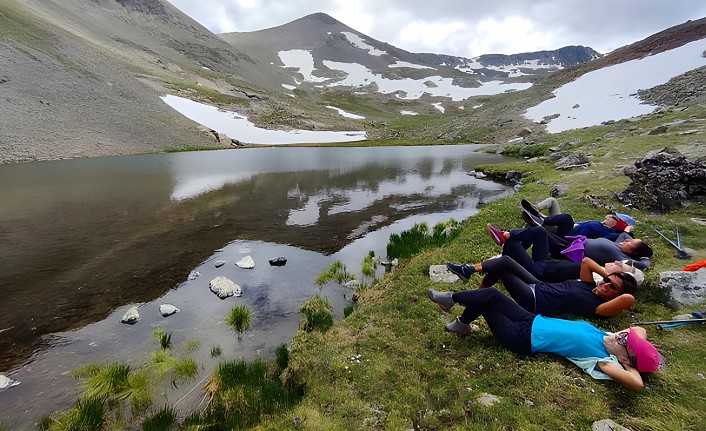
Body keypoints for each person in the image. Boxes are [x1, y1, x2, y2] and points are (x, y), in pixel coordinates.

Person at [426, 287, 661, 390]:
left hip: (520, 338)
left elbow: (637, 383)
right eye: (623, 335)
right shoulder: (610, 337)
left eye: (624, 341)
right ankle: (454, 304)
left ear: (627, 361)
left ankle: (459, 319)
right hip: (532, 319)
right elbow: (638, 330)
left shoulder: (603, 360)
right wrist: (634, 346)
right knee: (492, 294)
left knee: (487, 304)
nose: (622, 335)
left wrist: (635, 363)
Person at [445, 253, 637, 318]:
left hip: (535, 301)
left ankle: (470, 287)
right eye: (606, 281)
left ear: (616, 296)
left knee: (502, 269)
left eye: (611, 287)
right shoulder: (589, 285)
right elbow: (586, 261)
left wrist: (616, 286)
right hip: (539, 285)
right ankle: (469, 271)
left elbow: (629, 298)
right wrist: (609, 276)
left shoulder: (600, 307)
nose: (605, 285)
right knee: (505, 260)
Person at [479, 224, 644, 284]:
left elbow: (644, 265)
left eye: (618, 267)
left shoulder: (601, 279)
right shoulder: (616, 250)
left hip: (539, 272)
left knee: (510, 249)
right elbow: (623, 236)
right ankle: (507, 235)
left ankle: (506, 241)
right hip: (546, 263)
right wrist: (628, 231)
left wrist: (628, 264)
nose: (616, 263)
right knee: (539, 231)